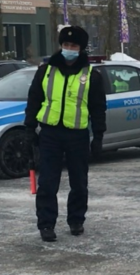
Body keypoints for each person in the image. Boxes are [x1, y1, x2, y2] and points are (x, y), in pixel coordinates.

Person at [24, 26, 107, 242]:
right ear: (61, 46)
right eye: (66, 45)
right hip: (50, 134)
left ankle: (76, 220)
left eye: (74, 46)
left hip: (77, 135)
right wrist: (29, 128)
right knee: (48, 183)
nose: (69, 49)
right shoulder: (46, 71)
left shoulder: (91, 75)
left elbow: (98, 108)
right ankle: (46, 225)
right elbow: (34, 100)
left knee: (79, 182)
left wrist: (98, 136)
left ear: (80, 49)